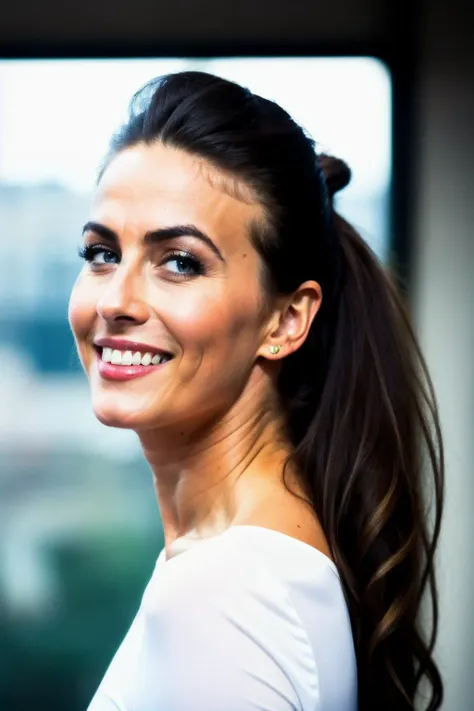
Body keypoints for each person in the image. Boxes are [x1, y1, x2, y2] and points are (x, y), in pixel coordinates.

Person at [68, 71, 444, 711]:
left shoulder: (223, 594)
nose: (116, 300)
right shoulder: (251, 568)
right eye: (102, 252)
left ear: (285, 319)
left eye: (180, 262)